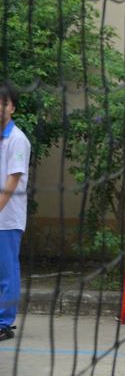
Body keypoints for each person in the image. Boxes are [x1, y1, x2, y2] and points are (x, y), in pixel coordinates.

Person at [0, 81, 30, 342]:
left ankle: (4, 323)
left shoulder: (18, 139)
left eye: (4, 103)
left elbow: (12, 180)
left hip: (8, 220)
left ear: (12, 108)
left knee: (7, 271)